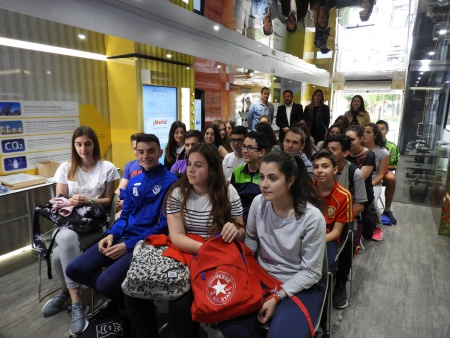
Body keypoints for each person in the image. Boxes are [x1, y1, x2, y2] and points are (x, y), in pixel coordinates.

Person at [125, 143, 244, 338]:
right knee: (134, 290)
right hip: (187, 249)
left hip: (215, 256)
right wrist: (207, 247)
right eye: (189, 163)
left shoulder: (227, 192)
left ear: (212, 169)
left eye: (198, 165)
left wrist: (234, 230)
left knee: (181, 303)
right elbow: (177, 236)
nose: (190, 169)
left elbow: (241, 232)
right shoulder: (178, 192)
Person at [66, 134, 178, 320]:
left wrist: (128, 245)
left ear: (159, 152)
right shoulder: (134, 180)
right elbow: (125, 216)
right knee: (74, 270)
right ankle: (128, 302)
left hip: (146, 243)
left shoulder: (172, 182)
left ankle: (135, 307)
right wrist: (110, 234)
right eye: (141, 152)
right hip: (121, 237)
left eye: (151, 151)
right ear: (136, 153)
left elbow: (163, 226)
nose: (145, 156)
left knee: (104, 284)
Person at [219, 151, 326, 338]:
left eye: (272, 178)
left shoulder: (311, 217)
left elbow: (311, 272)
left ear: (290, 180)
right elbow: (251, 240)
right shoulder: (258, 203)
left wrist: (277, 297)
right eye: (261, 177)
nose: (264, 184)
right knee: (230, 325)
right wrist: (244, 266)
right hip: (261, 276)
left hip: (299, 285)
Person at [41, 126, 120, 335]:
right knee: (61, 249)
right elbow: (59, 200)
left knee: (61, 248)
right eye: (79, 144)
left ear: (94, 144)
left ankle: (69, 294)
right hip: (70, 222)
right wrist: (70, 200)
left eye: (87, 143)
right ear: (73, 146)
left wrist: (88, 199)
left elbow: (108, 201)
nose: (83, 148)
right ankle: (76, 300)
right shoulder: (65, 168)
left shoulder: (107, 168)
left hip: (95, 224)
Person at [323, 134, 367, 308]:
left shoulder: (353, 172)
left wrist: (339, 217)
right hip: (324, 217)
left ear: (346, 152)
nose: (329, 153)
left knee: (347, 236)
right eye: (327, 149)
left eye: (334, 150)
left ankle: (340, 284)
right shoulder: (319, 170)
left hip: (348, 216)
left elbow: (361, 206)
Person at [311, 149, 353, 268]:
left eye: (325, 166)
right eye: (315, 167)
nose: (319, 171)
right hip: (305, 233)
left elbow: (336, 232)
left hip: (327, 238)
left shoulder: (344, 195)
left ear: (335, 170)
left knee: (320, 267)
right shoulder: (307, 189)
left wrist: (314, 241)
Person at [345, 125, 382, 242]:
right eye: (346, 139)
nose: (348, 142)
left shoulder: (369, 155)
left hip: (362, 193)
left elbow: (359, 178)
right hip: (345, 189)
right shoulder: (344, 152)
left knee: (367, 233)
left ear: (361, 139)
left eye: (352, 139)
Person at [231, 131, 269, 223]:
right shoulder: (237, 172)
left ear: (262, 152)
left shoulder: (267, 174)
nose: (244, 150)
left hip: (261, 221)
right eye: (244, 146)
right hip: (238, 222)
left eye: (250, 148)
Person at [363, 123, 389, 233]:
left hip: (374, 182)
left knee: (371, 201)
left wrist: (370, 184)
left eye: (368, 132)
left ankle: (378, 226)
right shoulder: (357, 148)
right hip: (359, 181)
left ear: (375, 136)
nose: (364, 134)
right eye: (363, 131)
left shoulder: (382, 152)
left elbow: (381, 174)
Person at [114, 132, 143, 219]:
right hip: (128, 201)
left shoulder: (151, 168)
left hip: (139, 206)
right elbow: (121, 188)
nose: (137, 152)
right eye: (135, 149)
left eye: (140, 149)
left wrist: (126, 203)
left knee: (117, 219)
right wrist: (114, 200)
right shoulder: (130, 165)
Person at [376, 120, 398, 224]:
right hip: (369, 168)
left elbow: (394, 165)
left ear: (387, 131)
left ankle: (387, 209)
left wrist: (382, 166)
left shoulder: (392, 146)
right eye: (377, 129)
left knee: (391, 178)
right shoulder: (369, 142)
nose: (380, 131)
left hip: (384, 169)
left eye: (383, 129)